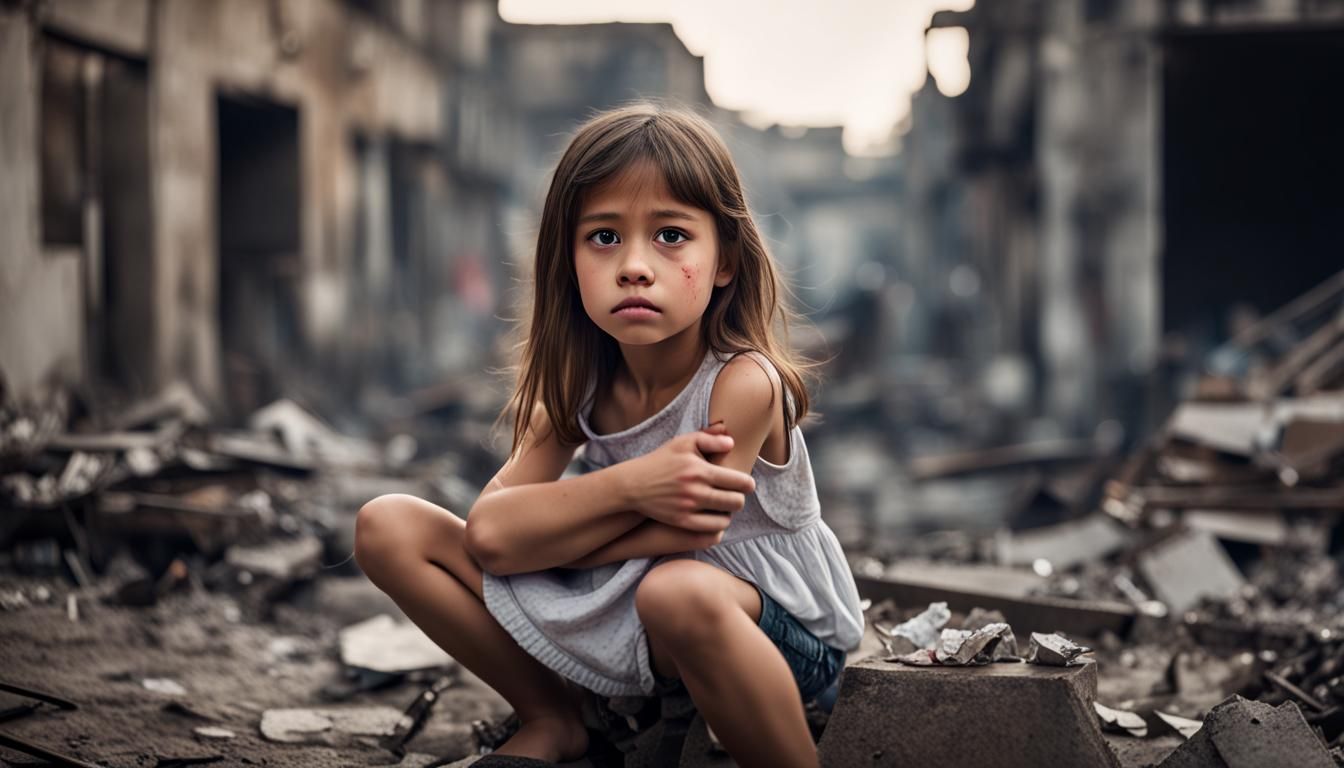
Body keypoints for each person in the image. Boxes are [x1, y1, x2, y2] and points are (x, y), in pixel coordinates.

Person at [354, 103, 864, 768]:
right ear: (568, 262)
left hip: (775, 633)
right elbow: (490, 534)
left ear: (726, 263)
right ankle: (552, 718)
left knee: (673, 590)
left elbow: (691, 532)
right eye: (603, 238)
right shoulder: (580, 384)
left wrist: (550, 533)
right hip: (625, 613)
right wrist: (635, 485)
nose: (634, 266)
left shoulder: (741, 384)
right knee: (388, 526)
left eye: (671, 236)